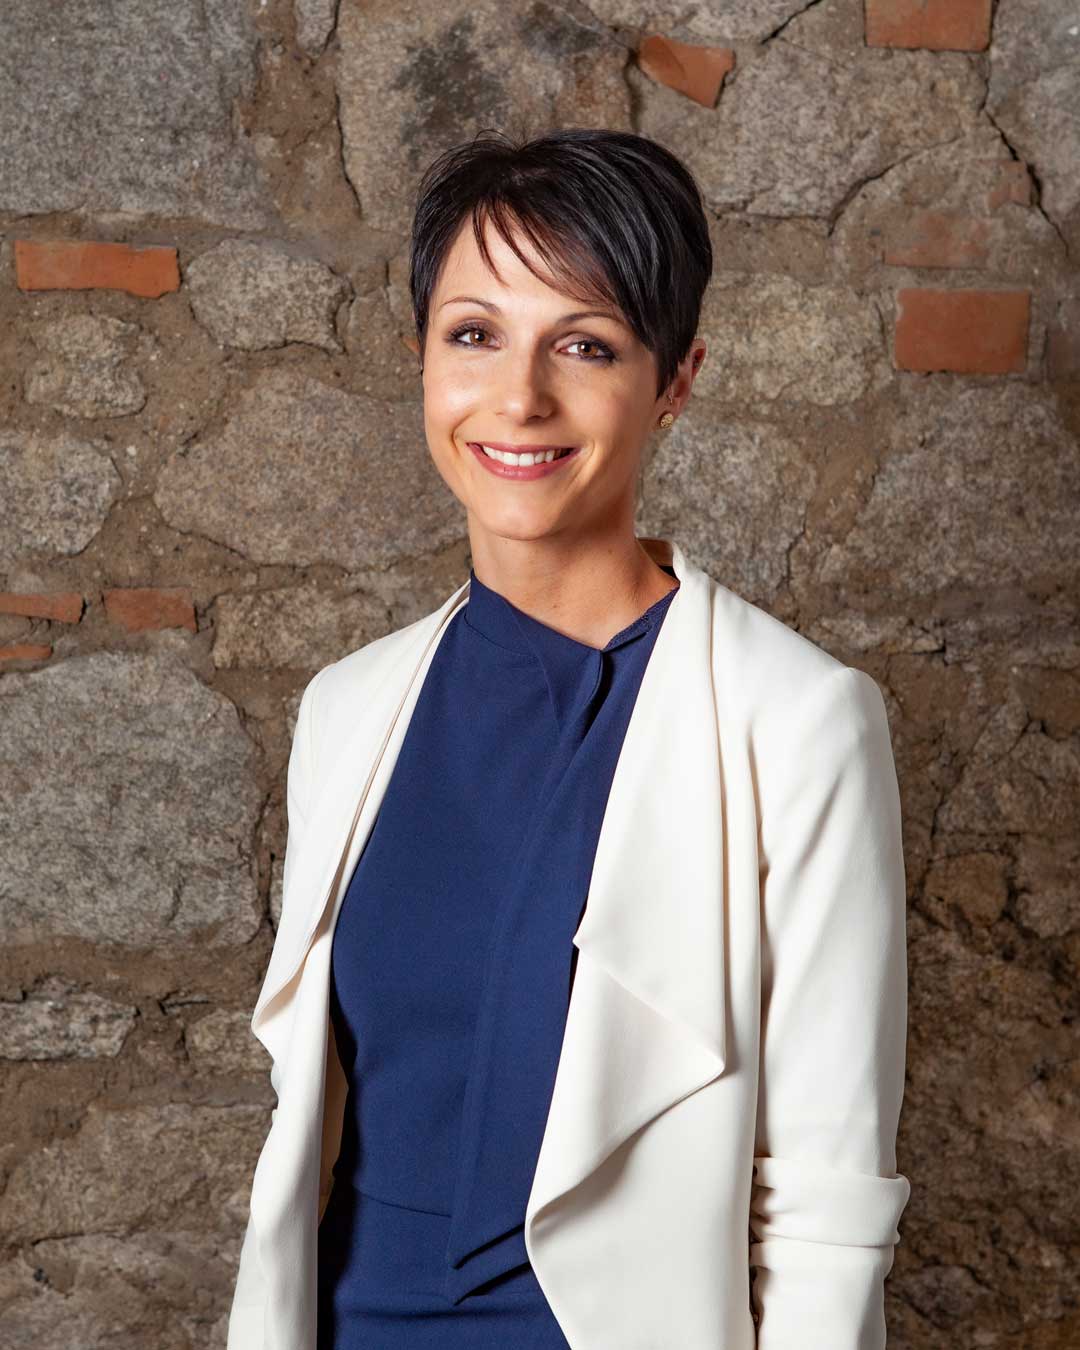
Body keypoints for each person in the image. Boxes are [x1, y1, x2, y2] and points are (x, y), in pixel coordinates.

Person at [227, 128, 911, 1350]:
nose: (519, 398)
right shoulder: (348, 707)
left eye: (584, 346)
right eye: (474, 334)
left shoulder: (800, 723)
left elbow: (824, 1206)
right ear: (422, 358)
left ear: (677, 377)